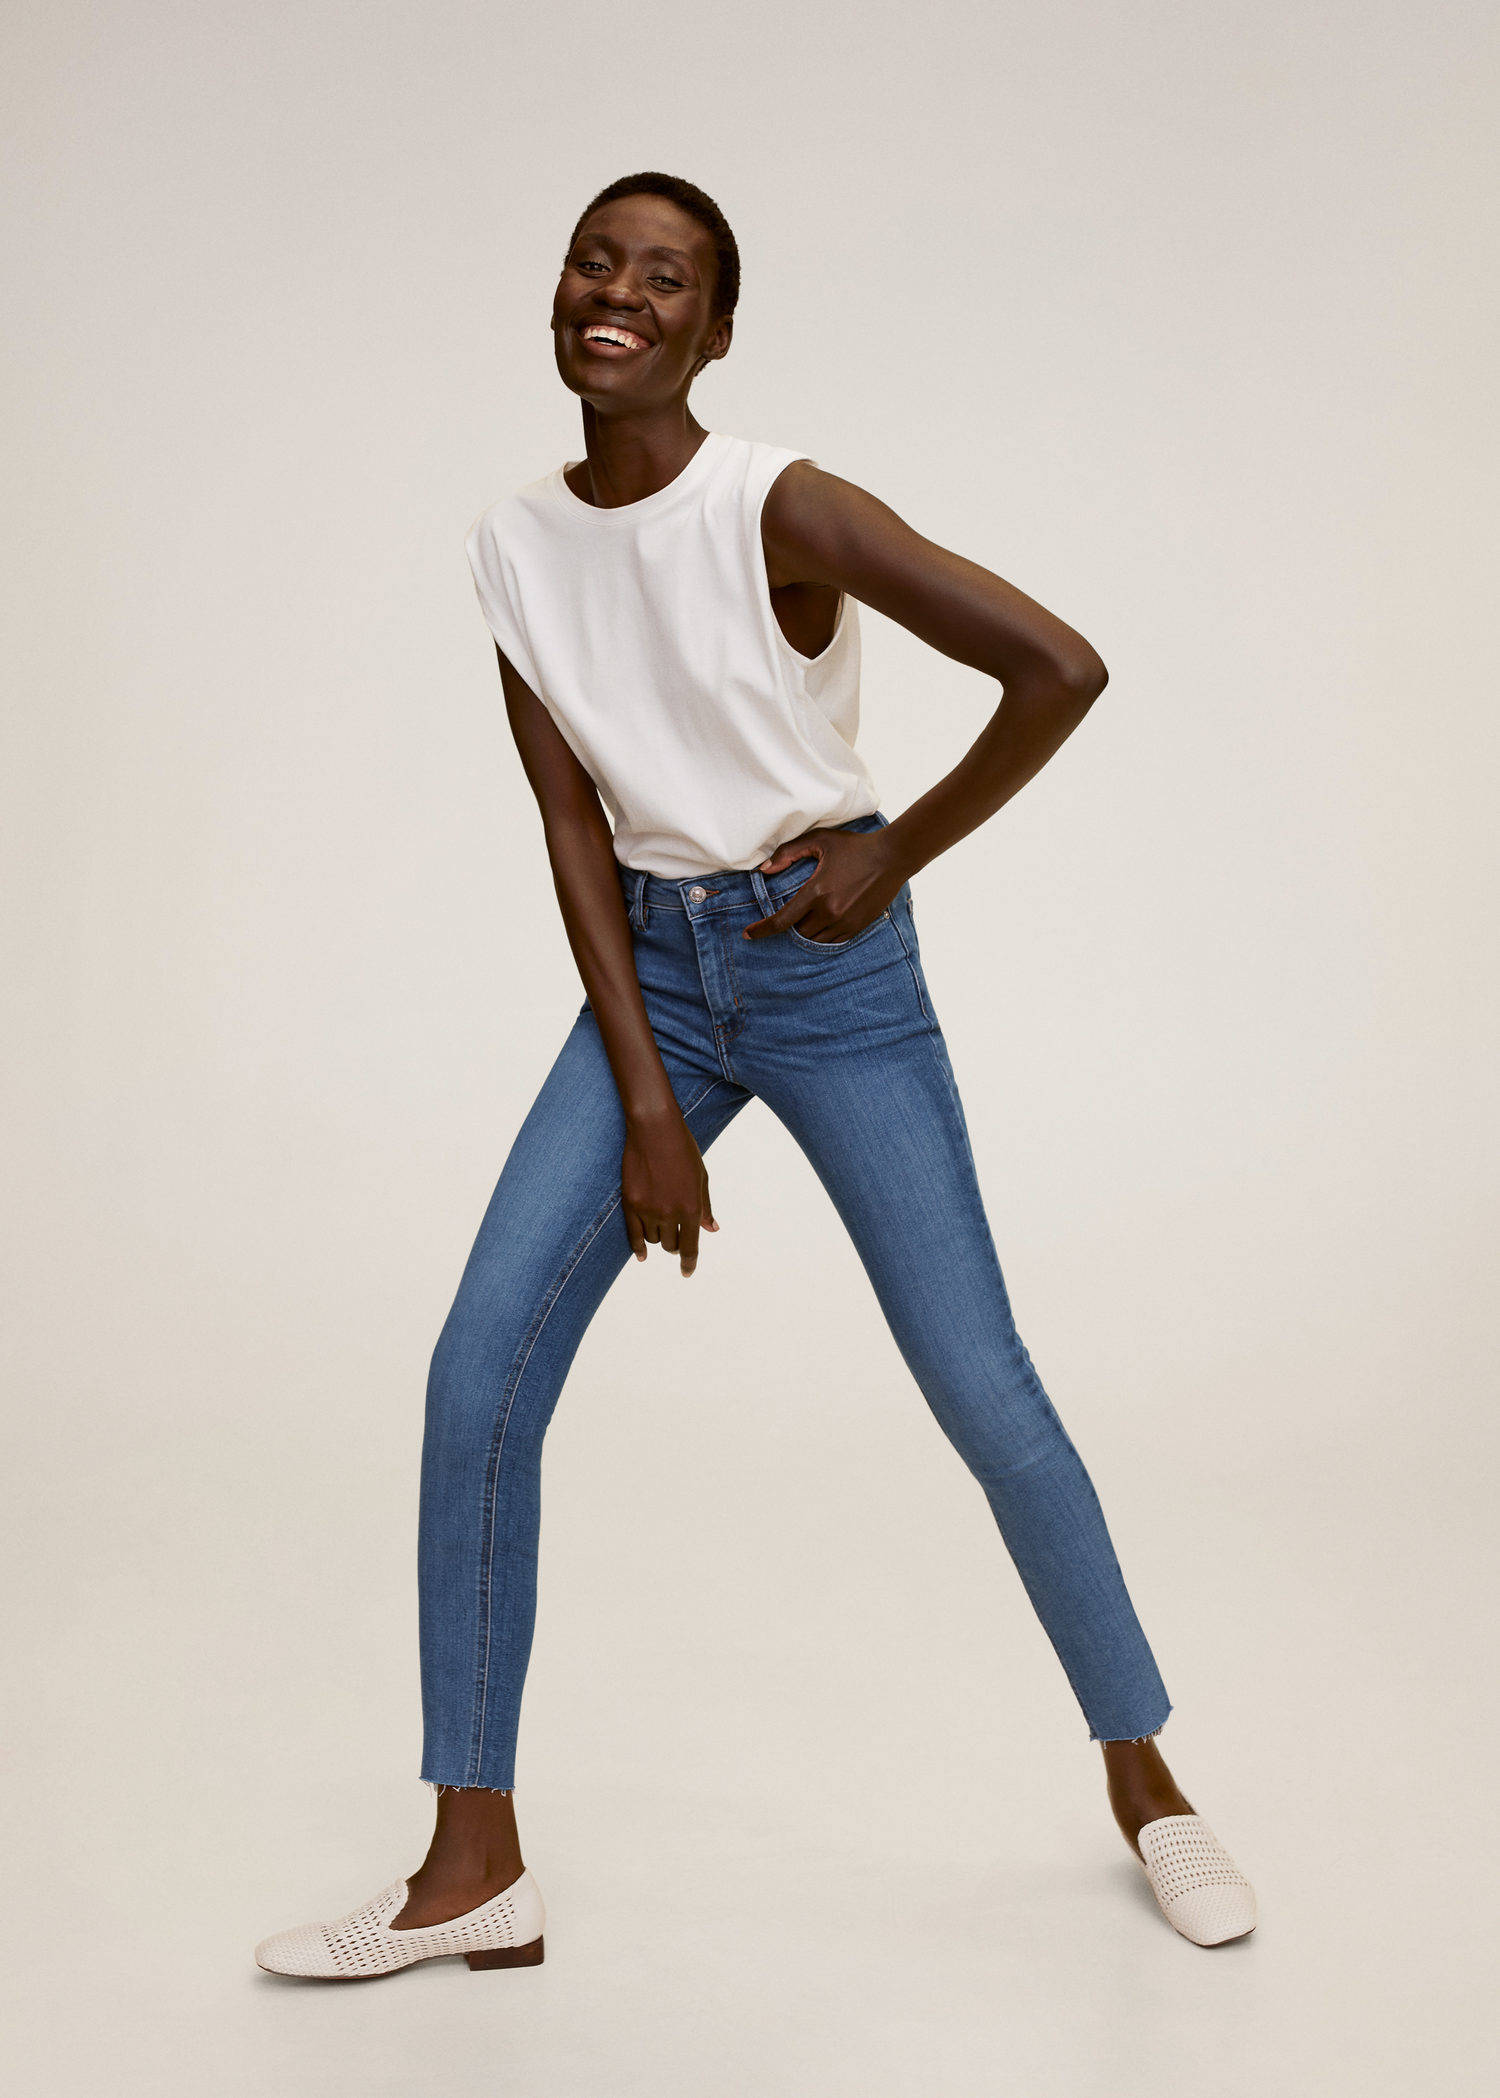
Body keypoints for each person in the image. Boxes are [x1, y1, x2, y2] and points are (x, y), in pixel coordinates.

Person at [255, 171, 1256, 1982]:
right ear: (557, 293)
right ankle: (472, 1856)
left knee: (981, 1385)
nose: (618, 292)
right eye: (595, 259)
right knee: (479, 1372)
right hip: (649, 972)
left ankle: (1148, 1779)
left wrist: (897, 849)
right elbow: (572, 819)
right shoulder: (513, 542)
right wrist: (648, 1099)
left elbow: (1058, 666)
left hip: (828, 971)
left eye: (667, 279)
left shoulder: (777, 504)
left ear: (715, 334)